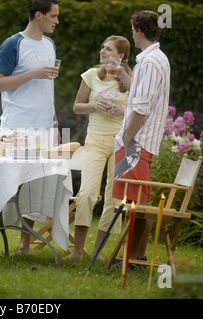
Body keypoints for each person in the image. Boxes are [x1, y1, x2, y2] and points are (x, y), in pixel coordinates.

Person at [0, 0, 60, 253]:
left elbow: (48, 89)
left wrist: (54, 124)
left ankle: (24, 244)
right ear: (38, 15)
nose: (57, 21)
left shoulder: (50, 44)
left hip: (43, 129)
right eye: (53, 16)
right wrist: (32, 73)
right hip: (16, 128)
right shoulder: (13, 44)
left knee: (34, 188)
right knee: (3, 185)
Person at [112, 10, 170, 265]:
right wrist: (122, 72)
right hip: (141, 141)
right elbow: (139, 88)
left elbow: (141, 106)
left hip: (137, 142)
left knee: (135, 204)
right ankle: (135, 257)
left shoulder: (150, 62)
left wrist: (126, 138)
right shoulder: (155, 58)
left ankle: (133, 259)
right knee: (138, 202)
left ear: (138, 30)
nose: (131, 33)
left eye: (132, 29)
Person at [69, 36, 132, 260]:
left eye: (108, 49)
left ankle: (98, 253)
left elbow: (141, 109)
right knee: (86, 194)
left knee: (113, 199)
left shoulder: (129, 79)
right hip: (95, 140)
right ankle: (77, 251)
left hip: (120, 143)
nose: (102, 51)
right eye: (102, 47)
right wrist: (94, 105)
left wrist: (122, 112)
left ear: (121, 55)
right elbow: (77, 107)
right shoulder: (91, 74)